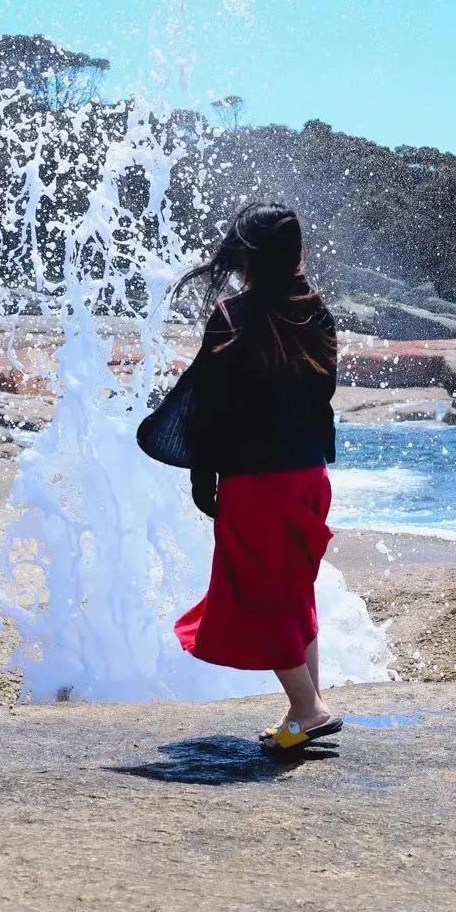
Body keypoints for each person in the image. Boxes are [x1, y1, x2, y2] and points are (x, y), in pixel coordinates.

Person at [137, 202, 342, 754]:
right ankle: (303, 717)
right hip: (309, 476)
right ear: (296, 252)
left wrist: (204, 474)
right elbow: (320, 398)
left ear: (247, 256)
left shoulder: (233, 317)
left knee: (260, 594)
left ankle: (309, 707)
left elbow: (208, 408)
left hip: (259, 483)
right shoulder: (317, 313)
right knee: (293, 592)